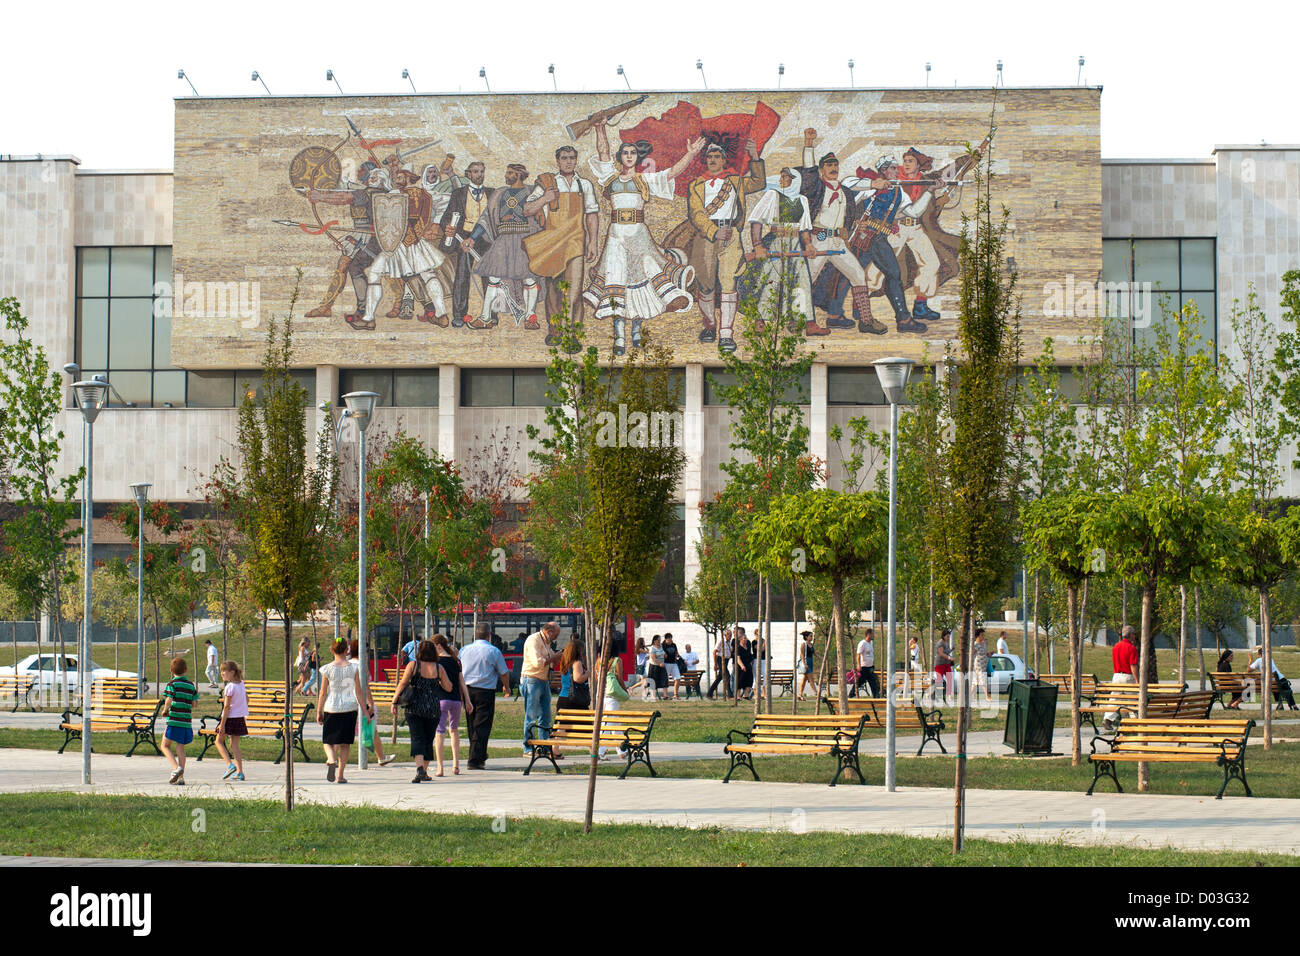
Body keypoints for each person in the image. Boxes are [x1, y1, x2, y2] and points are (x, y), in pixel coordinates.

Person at [584, 122, 706, 354]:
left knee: (642, 281)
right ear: (620, 157)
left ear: (637, 157)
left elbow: (672, 173)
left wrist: (690, 154)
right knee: (617, 280)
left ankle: (636, 331)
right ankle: (619, 336)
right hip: (617, 236)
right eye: (625, 153)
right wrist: (600, 127)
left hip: (639, 235)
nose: (629, 156)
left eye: (632, 153)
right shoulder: (611, 178)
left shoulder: (644, 180)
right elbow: (602, 152)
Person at [672, 138, 766, 351]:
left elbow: (759, 182)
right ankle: (710, 325)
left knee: (728, 283)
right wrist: (714, 231)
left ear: (724, 160)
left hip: (731, 235)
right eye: (710, 157)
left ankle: (726, 334)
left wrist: (755, 156)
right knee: (705, 284)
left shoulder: (736, 180)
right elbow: (696, 214)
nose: (713, 160)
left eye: (717, 157)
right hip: (706, 237)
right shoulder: (697, 184)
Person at [525, 145, 601, 348]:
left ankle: (572, 335)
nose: (569, 161)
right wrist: (544, 199)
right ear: (557, 161)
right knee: (553, 290)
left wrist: (593, 241)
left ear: (576, 160)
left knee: (574, 291)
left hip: (576, 242)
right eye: (565, 158)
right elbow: (528, 209)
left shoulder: (584, 185)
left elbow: (591, 214)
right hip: (553, 242)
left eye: (572, 158)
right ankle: (555, 330)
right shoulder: (547, 184)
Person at [392, 640, 454, 783]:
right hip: (432, 708)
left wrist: (394, 701)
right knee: (428, 739)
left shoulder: (413, 665)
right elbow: (449, 687)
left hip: (414, 707)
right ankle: (424, 771)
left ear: (419, 651)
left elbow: (402, 683)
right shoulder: (439, 668)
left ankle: (420, 768)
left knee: (417, 737)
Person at [317, 637, 371, 784]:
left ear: (331, 650)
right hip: (350, 708)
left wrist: (318, 711)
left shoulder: (327, 669)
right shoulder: (354, 668)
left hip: (331, 707)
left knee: (328, 741)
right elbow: (359, 692)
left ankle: (331, 758)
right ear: (346, 651)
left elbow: (322, 692)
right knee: (345, 744)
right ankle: (340, 775)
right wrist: (365, 712)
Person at [459, 623, 512, 770]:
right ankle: (475, 759)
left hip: (467, 690)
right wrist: (507, 688)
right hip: (485, 692)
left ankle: (479, 754)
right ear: (489, 635)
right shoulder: (493, 651)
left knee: (471, 724)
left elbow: (459, 670)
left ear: (475, 635)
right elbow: (504, 672)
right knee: (482, 725)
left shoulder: (464, 650)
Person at [432, 635, 473, 776]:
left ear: (438, 645)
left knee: (440, 732)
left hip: (441, 700)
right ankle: (456, 765)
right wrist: (468, 700)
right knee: (454, 730)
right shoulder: (456, 661)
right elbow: (462, 682)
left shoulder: (436, 662)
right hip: (456, 700)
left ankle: (440, 767)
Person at [350, 640, 394, 767]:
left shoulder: (347, 664)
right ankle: (381, 757)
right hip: (362, 701)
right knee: (372, 729)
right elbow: (366, 687)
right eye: (366, 650)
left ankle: (333, 758)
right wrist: (370, 703)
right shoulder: (360, 665)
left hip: (349, 702)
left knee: (346, 730)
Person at [521, 622, 564, 752]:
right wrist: (553, 658)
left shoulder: (547, 642)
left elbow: (550, 659)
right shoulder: (533, 640)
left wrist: (558, 657)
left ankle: (544, 745)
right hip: (532, 680)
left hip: (543, 680)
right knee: (531, 716)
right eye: (556, 634)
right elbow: (537, 663)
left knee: (545, 716)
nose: (556, 637)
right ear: (549, 631)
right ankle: (528, 747)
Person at [161, 656, 198, 785]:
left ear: (171, 670)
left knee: (165, 745)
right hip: (186, 721)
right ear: (186, 670)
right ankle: (181, 778)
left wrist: (165, 709)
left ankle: (176, 769)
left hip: (174, 720)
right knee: (180, 748)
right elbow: (194, 704)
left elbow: (169, 699)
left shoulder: (172, 684)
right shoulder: (191, 685)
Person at [215, 660, 248, 781]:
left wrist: (222, 724)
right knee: (234, 745)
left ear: (232, 672)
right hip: (239, 718)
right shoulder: (241, 684)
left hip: (229, 718)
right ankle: (240, 772)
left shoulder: (229, 687)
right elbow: (246, 699)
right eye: (221, 671)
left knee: (218, 741)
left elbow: (226, 707)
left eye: (225, 671)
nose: (222, 673)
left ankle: (229, 765)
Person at [1104, 625, 1140, 731]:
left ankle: (1107, 719)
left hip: (1116, 676)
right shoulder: (1131, 648)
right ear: (1130, 635)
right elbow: (1133, 665)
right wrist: (1137, 680)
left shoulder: (1116, 646)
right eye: (1134, 634)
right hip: (1128, 676)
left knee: (1114, 699)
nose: (1135, 636)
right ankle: (1135, 722)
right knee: (1133, 700)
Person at [1249, 645, 1298, 710]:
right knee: (1286, 689)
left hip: (1272, 683)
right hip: (1282, 680)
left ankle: (1280, 705)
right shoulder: (1270, 659)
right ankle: (1294, 705)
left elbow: (1249, 670)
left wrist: (1250, 660)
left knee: (1274, 686)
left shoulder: (1258, 660)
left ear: (1259, 655)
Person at [555, 637, 590, 713]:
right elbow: (578, 679)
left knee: (563, 724)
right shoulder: (577, 663)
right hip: (575, 699)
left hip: (563, 698)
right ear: (578, 651)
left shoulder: (565, 663)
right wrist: (587, 674)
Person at [708, 629, 733, 699]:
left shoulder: (729, 642)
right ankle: (730, 695)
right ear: (725, 635)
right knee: (727, 676)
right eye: (729, 635)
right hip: (721, 660)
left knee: (719, 678)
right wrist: (715, 664)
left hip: (726, 661)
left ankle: (709, 693)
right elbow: (714, 652)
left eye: (731, 635)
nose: (730, 636)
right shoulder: (721, 641)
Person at [855, 628, 879, 698]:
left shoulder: (870, 643)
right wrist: (858, 665)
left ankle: (876, 697)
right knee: (859, 682)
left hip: (870, 667)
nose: (874, 636)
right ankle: (851, 695)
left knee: (873, 683)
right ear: (869, 634)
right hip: (864, 667)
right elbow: (858, 655)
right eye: (872, 634)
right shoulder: (862, 643)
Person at [934, 630, 954, 703]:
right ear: (943, 635)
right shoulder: (940, 643)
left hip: (947, 663)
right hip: (940, 664)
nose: (948, 638)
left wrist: (951, 650)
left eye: (949, 636)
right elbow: (941, 653)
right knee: (939, 680)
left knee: (949, 678)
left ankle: (948, 695)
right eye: (947, 636)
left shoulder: (946, 643)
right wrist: (949, 658)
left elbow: (946, 652)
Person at [662, 633, 685, 700]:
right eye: (669, 638)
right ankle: (665, 695)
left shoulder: (674, 645)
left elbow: (676, 653)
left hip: (674, 663)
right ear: (666, 639)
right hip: (666, 663)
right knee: (665, 679)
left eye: (671, 638)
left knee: (678, 678)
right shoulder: (663, 645)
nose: (670, 639)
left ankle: (675, 694)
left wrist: (679, 657)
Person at [645, 635, 668, 701]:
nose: (659, 641)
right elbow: (653, 657)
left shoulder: (661, 647)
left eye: (660, 640)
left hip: (662, 666)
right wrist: (659, 663)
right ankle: (653, 696)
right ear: (654, 641)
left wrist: (665, 655)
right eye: (658, 640)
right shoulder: (652, 648)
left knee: (664, 679)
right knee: (653, 681)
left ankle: (665, 695)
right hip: (654, 666)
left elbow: (663, 653)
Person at [971, 629, 990, 704]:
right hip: (978, 664)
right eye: (982, 635)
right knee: (983, 680)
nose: (983, 636)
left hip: (984, 664)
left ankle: (970, 695)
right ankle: (987, 695)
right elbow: (972, 654)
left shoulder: (984, 643)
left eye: (983, 635)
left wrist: (989, 654)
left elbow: (986, 653)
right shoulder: (975, 644)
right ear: (978, 636)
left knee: (976, 681)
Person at [798, 630, 818, 700]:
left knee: (804, 679)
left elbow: (814, 653)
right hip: (806, 662)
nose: (812, 637)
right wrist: (805, 664)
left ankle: (800, 694)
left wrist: (822, 657)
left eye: (812, 636)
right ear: (806, 637)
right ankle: (816, 693)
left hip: (811, 662)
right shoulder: (804, 644)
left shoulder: (811, 645)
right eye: (810, 636)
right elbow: (802, 655)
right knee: (811, 679)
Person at [735, 632, 755, 699]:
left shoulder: (748, 646)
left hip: (748, 665)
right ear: (740, 640)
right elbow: (738, 659)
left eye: (746, 638)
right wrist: (742, 666)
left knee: (750, 680)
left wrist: (752, 659)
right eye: (744, 638)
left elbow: (750, 654)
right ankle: (737, 696)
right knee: (740, 681)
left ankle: (746, 695)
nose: (746, 639)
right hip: (741, 667)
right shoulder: (738, 648)